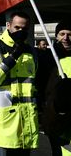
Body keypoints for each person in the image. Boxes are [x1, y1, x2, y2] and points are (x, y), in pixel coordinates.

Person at [0, 11, 38, 155]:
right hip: (2, 127)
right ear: (8, 25)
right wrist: (13, 57)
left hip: (27, 125)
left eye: (24, 29)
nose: (21, 31)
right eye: (17, 28)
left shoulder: (31, 52)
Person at [42, 21, 71, 156]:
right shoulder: (47, 58)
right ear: (56, 36)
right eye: (62, 34)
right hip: (54, 115)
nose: (66, 38)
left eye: (70, 34)